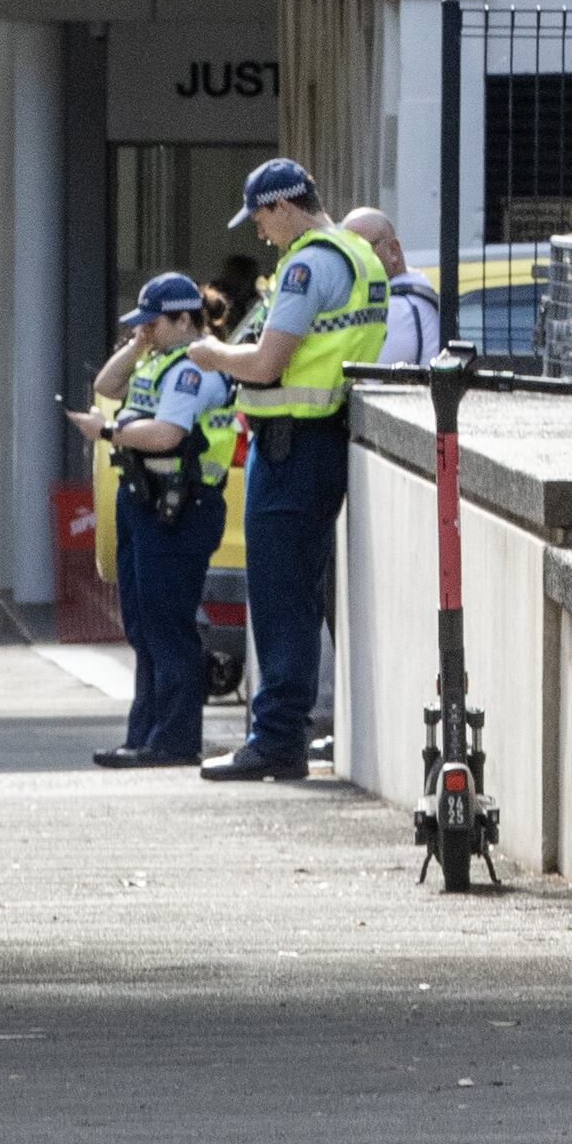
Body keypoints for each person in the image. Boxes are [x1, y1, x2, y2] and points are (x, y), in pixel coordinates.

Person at [181, 158, 386, 782]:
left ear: (280, 207)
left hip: (291, 448)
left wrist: (214, 353)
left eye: (261, 221)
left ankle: (275, 740)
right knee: (298, 592)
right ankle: (280, 735)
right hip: (322, 439)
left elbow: (268, 363)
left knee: (278, 597)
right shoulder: (360, 254)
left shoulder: (305, 264)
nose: (261, 236)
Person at [66, 272, 239, 768]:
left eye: (154, 322)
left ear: (184, 319)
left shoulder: (195, 367)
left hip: (182, 506)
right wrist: (138, 344)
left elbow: (166, 434)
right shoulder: (159, 358)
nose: (146, 331)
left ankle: (174, 740)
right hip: (147, 500)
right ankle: (144, 736)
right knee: (143, 625)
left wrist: (110, 431)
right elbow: (105, 384)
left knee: (167, 626)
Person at [357, 205, 445, 367]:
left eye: (361, 249)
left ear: (393, 250)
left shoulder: (396, 309)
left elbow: (364, 379)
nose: (351, 259)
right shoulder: (416, 285)